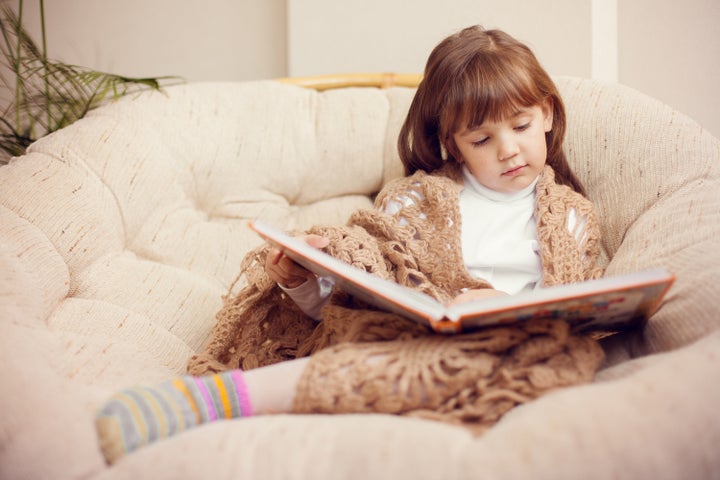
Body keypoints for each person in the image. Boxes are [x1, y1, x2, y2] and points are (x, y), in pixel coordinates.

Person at [95, 25, 605, 464]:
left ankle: (220, 401)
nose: (509, 149)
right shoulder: (415, 204)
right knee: (385, 344)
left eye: (520, 126)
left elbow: (573, 317)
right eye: (482, 139)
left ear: (548, 116)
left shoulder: (572, 220)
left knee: (511, 361)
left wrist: (507, 309)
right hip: (402, 335)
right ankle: (202, 400)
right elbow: (347, 306)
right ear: (452, 144)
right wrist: (303, 281)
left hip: (510, 347)